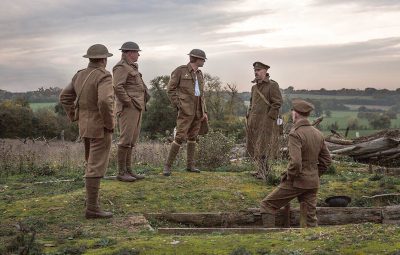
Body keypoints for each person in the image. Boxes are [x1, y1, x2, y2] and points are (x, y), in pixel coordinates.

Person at [59, 44, 114, 219]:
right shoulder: (104, 75)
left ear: (89, 59)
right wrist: (109, 124)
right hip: (100, 127)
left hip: (85, 126)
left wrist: (75, 115)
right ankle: (92, 208)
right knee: (96, 166)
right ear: (104, 59)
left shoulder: (79, 74)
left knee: (90, 162)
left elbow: (64, 96)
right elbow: (105, 102)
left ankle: (91, 201)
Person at [260, 99, 332, 227]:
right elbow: (327, 161)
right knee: (310, 219)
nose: (292, 113)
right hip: (312, 182)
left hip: (297, 181)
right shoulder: (318, 134)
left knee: (267, 205)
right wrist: (314, 174)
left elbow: (296, 163)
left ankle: (268, 238)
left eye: (292, 111)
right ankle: (312, 242)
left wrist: (290, 177)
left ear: (296, 114)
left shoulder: (295, 134)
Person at [163, 49, 208, 176]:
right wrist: (179, 105)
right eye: (202, 59)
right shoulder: (180, 71)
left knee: (193, 137)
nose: (204, 61)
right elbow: (170, 90)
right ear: (196, 59)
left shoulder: (200, 74)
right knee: (180, 137)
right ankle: (167, 166)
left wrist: (204, 111)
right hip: (185, 111)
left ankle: (190, 165)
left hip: (198, 111)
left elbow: (202, 95)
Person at [113, 42, 150, 182]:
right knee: (125, 140)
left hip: (137, 107)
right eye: (137, 52)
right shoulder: (121, 67)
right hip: (129, 108)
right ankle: (121, 172)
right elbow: (117, 86)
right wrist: (128, 102)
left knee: (132, 140)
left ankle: (129, 170)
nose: (139, 54)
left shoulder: (131, 67)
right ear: (129, 53)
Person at [246, 62, 283, 179]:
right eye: (255, 70)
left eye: (259, 70)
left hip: (266, 122)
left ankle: (263, 172)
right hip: (254, 122)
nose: (256, 72)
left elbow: (277, 103)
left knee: (263, 147)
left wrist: (269, 118)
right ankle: (260, 170)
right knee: (255, 146)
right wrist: (249, 117)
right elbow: (252, 104)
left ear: (265, 71)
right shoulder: (254, 87)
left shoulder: (272, 85)